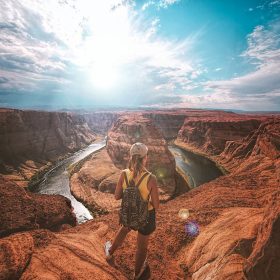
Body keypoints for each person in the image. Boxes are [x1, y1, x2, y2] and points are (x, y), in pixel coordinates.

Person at [104, 142, 160, 279]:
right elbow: (156, 206)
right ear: (145, 158)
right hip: (146, 216)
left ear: (131, 157)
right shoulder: (151, 178)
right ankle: (136, 275)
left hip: (129, 211)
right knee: (141, 248)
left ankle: (110, 252)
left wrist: (131, 196)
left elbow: (117, 196)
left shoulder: (124, 174)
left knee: (124, 228)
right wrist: (142, 200)